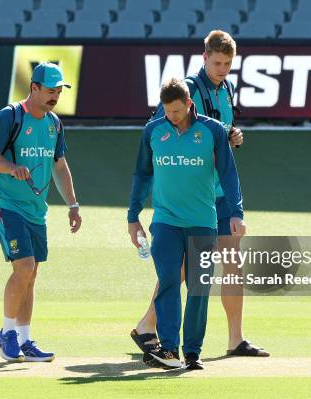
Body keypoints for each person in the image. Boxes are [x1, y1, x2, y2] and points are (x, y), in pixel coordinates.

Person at [130, 30, 269, 358]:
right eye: (217, 62)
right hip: (194, 194)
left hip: (218, 191)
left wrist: (232, 136)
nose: (222, 68)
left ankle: (236, 339)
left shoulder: (227, 88)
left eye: (228, 63)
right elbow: (161, 127)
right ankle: (147, 325)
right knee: (182, 266)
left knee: (232, 262)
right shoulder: (189, 88)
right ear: (204, 57)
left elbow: (218, 130)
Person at [127, 78, 244, 370]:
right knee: (168, 281)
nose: (172, 117)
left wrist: (236, 212)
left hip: (203, 223)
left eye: (177, 111)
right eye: (167, 111)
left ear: (189, 104)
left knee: (198, 287)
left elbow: (228, 174)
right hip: (165, 222)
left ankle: (192, 352)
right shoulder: (153, 131)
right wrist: (133, 216)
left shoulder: (212, 131)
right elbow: (142, 175)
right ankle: (168, 349)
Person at [0, 63, 82, 362]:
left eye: (59, 91)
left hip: (36, 210)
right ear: (34, 88)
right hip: (6, 204)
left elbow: (59, 165)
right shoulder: (10, 116)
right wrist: (12, 169)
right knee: (24, 267)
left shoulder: (54, 123)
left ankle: (25, 339)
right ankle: (6, 334)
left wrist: (73, 204)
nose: (55, 96)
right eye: (50, 90)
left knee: (32, 273)